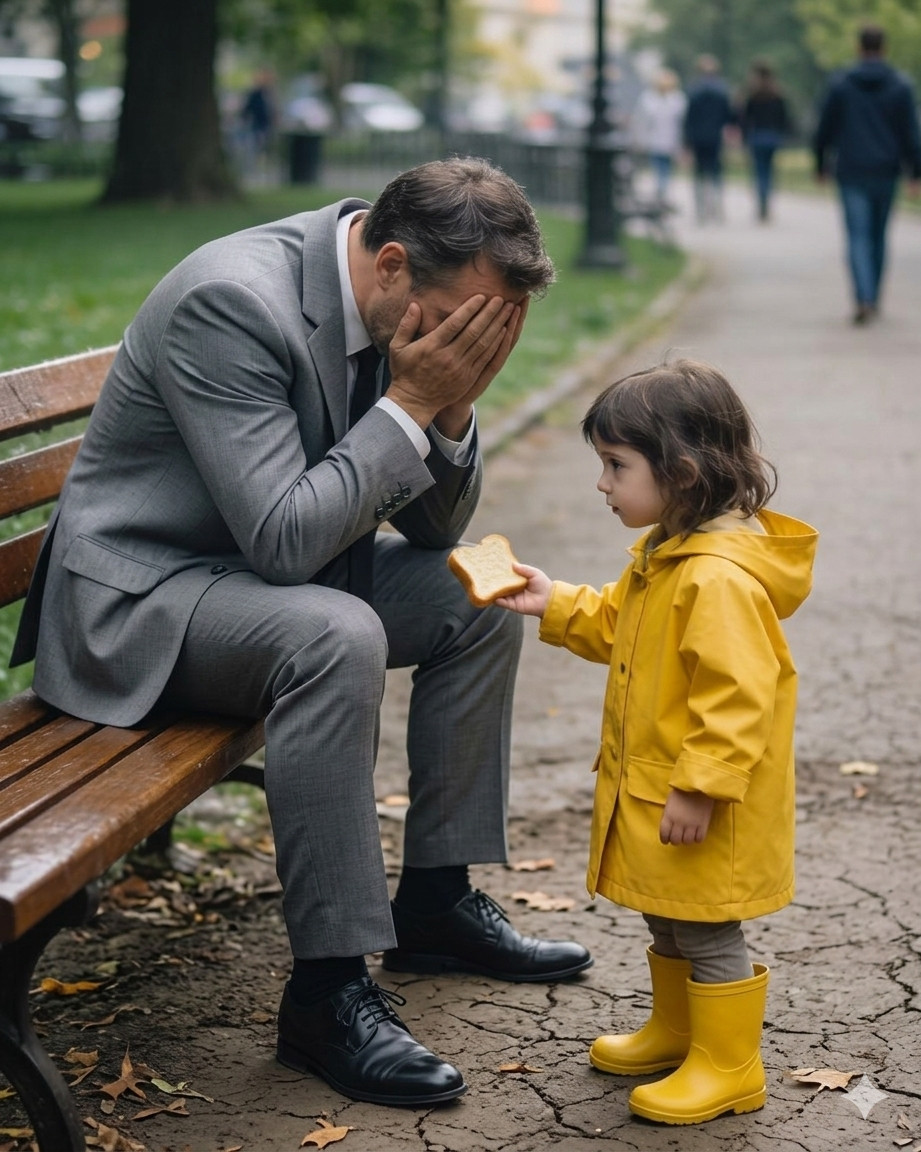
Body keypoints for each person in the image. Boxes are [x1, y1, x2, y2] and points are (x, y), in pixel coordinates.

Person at [10, 158, 593, 1107]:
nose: (477, 342)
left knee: (477, 591)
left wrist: (448, 406)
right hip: (143, 602)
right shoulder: (230, 303)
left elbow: (436, 531)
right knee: (336, 634)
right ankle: (326, 993)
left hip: (258, 582)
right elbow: (284, 542)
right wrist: (407, 403)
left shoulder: (389, 303)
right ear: (394, 264)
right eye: (467, 320)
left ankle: (436, 902)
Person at [496, 360, 817, 1124]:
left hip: (698, 798)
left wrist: (700, 786)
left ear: (680, 472)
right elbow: (621, 626)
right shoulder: (665, 553)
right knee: (666, 915)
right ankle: (679, 1031)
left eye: (615, 466)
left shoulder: (716, 579)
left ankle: (729, 1064)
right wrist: (553, 601)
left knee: (706, 928)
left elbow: (735, 697)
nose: (602, 485)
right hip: (659, 788)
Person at [814, 23, 921, 324]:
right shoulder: (901, 86)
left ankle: (863, 297)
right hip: (887, 170)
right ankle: (873, 296)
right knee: (878, 236)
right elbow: (910, 132)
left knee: (857, 236)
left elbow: (825, 128)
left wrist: (820, 163)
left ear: (859, 48)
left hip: (851, 170)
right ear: (884, 48)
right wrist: (915, 171)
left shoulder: (841, 84)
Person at [683, 54, 735, 223]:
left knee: (699, 174)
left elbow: (689, 118)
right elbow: (729, 115)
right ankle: (717, 208)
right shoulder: (721, 90)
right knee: (715, 172)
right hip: (714, 137)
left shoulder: (694, 90)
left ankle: (701, 211)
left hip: (698, 137)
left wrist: (687, 141)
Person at [738, 60, 792, 222]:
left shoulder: (752, 95)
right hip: (773, 136)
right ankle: (766, 201)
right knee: (769, 171)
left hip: (757, 136)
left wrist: (744, 137)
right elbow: (784, 118)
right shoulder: (777, 94)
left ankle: (762, 202)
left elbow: (745, 119)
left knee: (759, 172)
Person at [631, 69, 687, 203]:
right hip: (654, 141)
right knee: (659, 167)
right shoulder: (648, 99)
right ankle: (661, 191)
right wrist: (640, 139)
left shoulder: (677, 99)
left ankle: (663, 191)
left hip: (671, 141)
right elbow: (641, 122)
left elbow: (681, 123)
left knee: (665, 168)